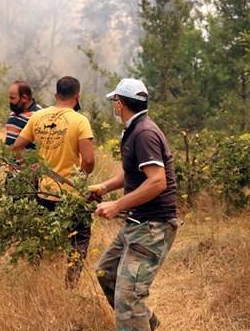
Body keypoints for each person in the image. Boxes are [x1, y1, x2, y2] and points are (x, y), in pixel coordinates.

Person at [89, 78, 178, 331]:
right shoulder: (134, 129)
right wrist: (103, 188)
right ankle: (146, 323)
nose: (113, 106)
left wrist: (117, 205)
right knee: (106, 274)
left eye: (114, 101)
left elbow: (157, 182)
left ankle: (137, 320)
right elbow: (133, 174)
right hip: (137, 222)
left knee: (128, 299)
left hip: (153, 226)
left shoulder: (144, 133)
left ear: (120, 103)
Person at [12, 76, 95, 286]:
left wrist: (31, 167)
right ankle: (70, 285)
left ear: (56, 95)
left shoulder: (38, 116)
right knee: (79, 238)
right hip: (71, 194)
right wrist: (82, 178)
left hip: (44, 192)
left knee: (39, 238)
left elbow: (17, 147)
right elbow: (89, 160)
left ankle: (33, 279)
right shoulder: (80, 120)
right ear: (78, 96)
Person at [5, 80, 42, 148]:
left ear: (24, 98)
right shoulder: (13, 113)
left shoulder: (38, 115)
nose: (10, 101)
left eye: (12, 98)